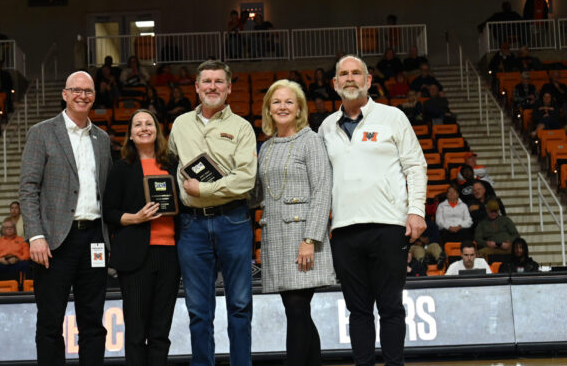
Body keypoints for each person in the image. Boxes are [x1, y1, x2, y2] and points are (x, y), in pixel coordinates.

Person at [319, 55, 427, 366]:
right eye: (344, 74)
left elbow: (416, 167)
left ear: (368, 81)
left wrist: (416, 211)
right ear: (335, 84)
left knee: (391, 306)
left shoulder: (393, 117)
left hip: (390, 227)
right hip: (343, 231)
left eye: (356, 73)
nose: (350, 78)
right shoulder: (325, 127)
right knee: (358, 310)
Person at [19, 71, 112, 366]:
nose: (83, 96)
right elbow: (28, 188)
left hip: (94, 240)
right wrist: (35, 235)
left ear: (94, 96)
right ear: (65, 94)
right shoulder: (42, 132)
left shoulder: (102, 138)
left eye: (88, 91)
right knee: (49, 322)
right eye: (77, 90)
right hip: (54, 242)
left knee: (93, 322)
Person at [167, 60, 256, 366]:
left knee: (241, 305)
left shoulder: (242, 127)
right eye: (207, 81)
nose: (213, 87)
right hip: (192, 227)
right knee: (198, 309)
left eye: (219, 82)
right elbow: (171, 165)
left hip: (234, 221)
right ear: (197, 87)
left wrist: (203, 190)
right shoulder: (180, 125)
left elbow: (246, 180)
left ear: (229, 88)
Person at [257, 79, 335, 366]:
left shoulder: (311, 140)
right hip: (276, 239)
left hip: (302, 240)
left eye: (289, 101)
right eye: (276, 102)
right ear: (268, 108)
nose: (282, 107)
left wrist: (310, 239)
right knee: (296, 311)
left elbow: (322, 191)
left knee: (297, 308)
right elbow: (256, 193)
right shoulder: (264, 148)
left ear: (300, 108)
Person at [103, 109, 180, 366]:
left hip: (170, 255)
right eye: (138, 125)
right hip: (136, 257)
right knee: (136, 332)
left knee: (161, 331)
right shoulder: (121, 168)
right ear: (131, 135)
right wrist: (135, 218)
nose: (144, 128)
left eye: (149, 124)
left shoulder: (172, 164)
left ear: (157, 131)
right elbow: (109, 212)